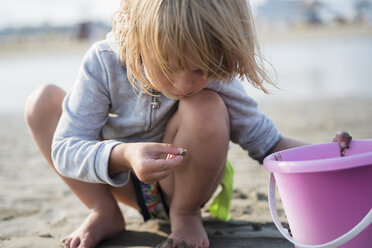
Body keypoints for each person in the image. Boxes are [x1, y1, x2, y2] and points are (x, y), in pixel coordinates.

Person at [24, 1, 307, 248]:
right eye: (169, 66)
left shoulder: (216, 70)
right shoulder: (104, 63)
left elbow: (268, 143)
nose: (185, 85)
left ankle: (185, 215)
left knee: (205, 105)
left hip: (184, 184)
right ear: (137, 35)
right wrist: (123, 155)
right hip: (121, 182)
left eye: (201, 70)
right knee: (42, 103)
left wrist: (333, 154)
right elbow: (65, 148)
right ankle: (103, 211)